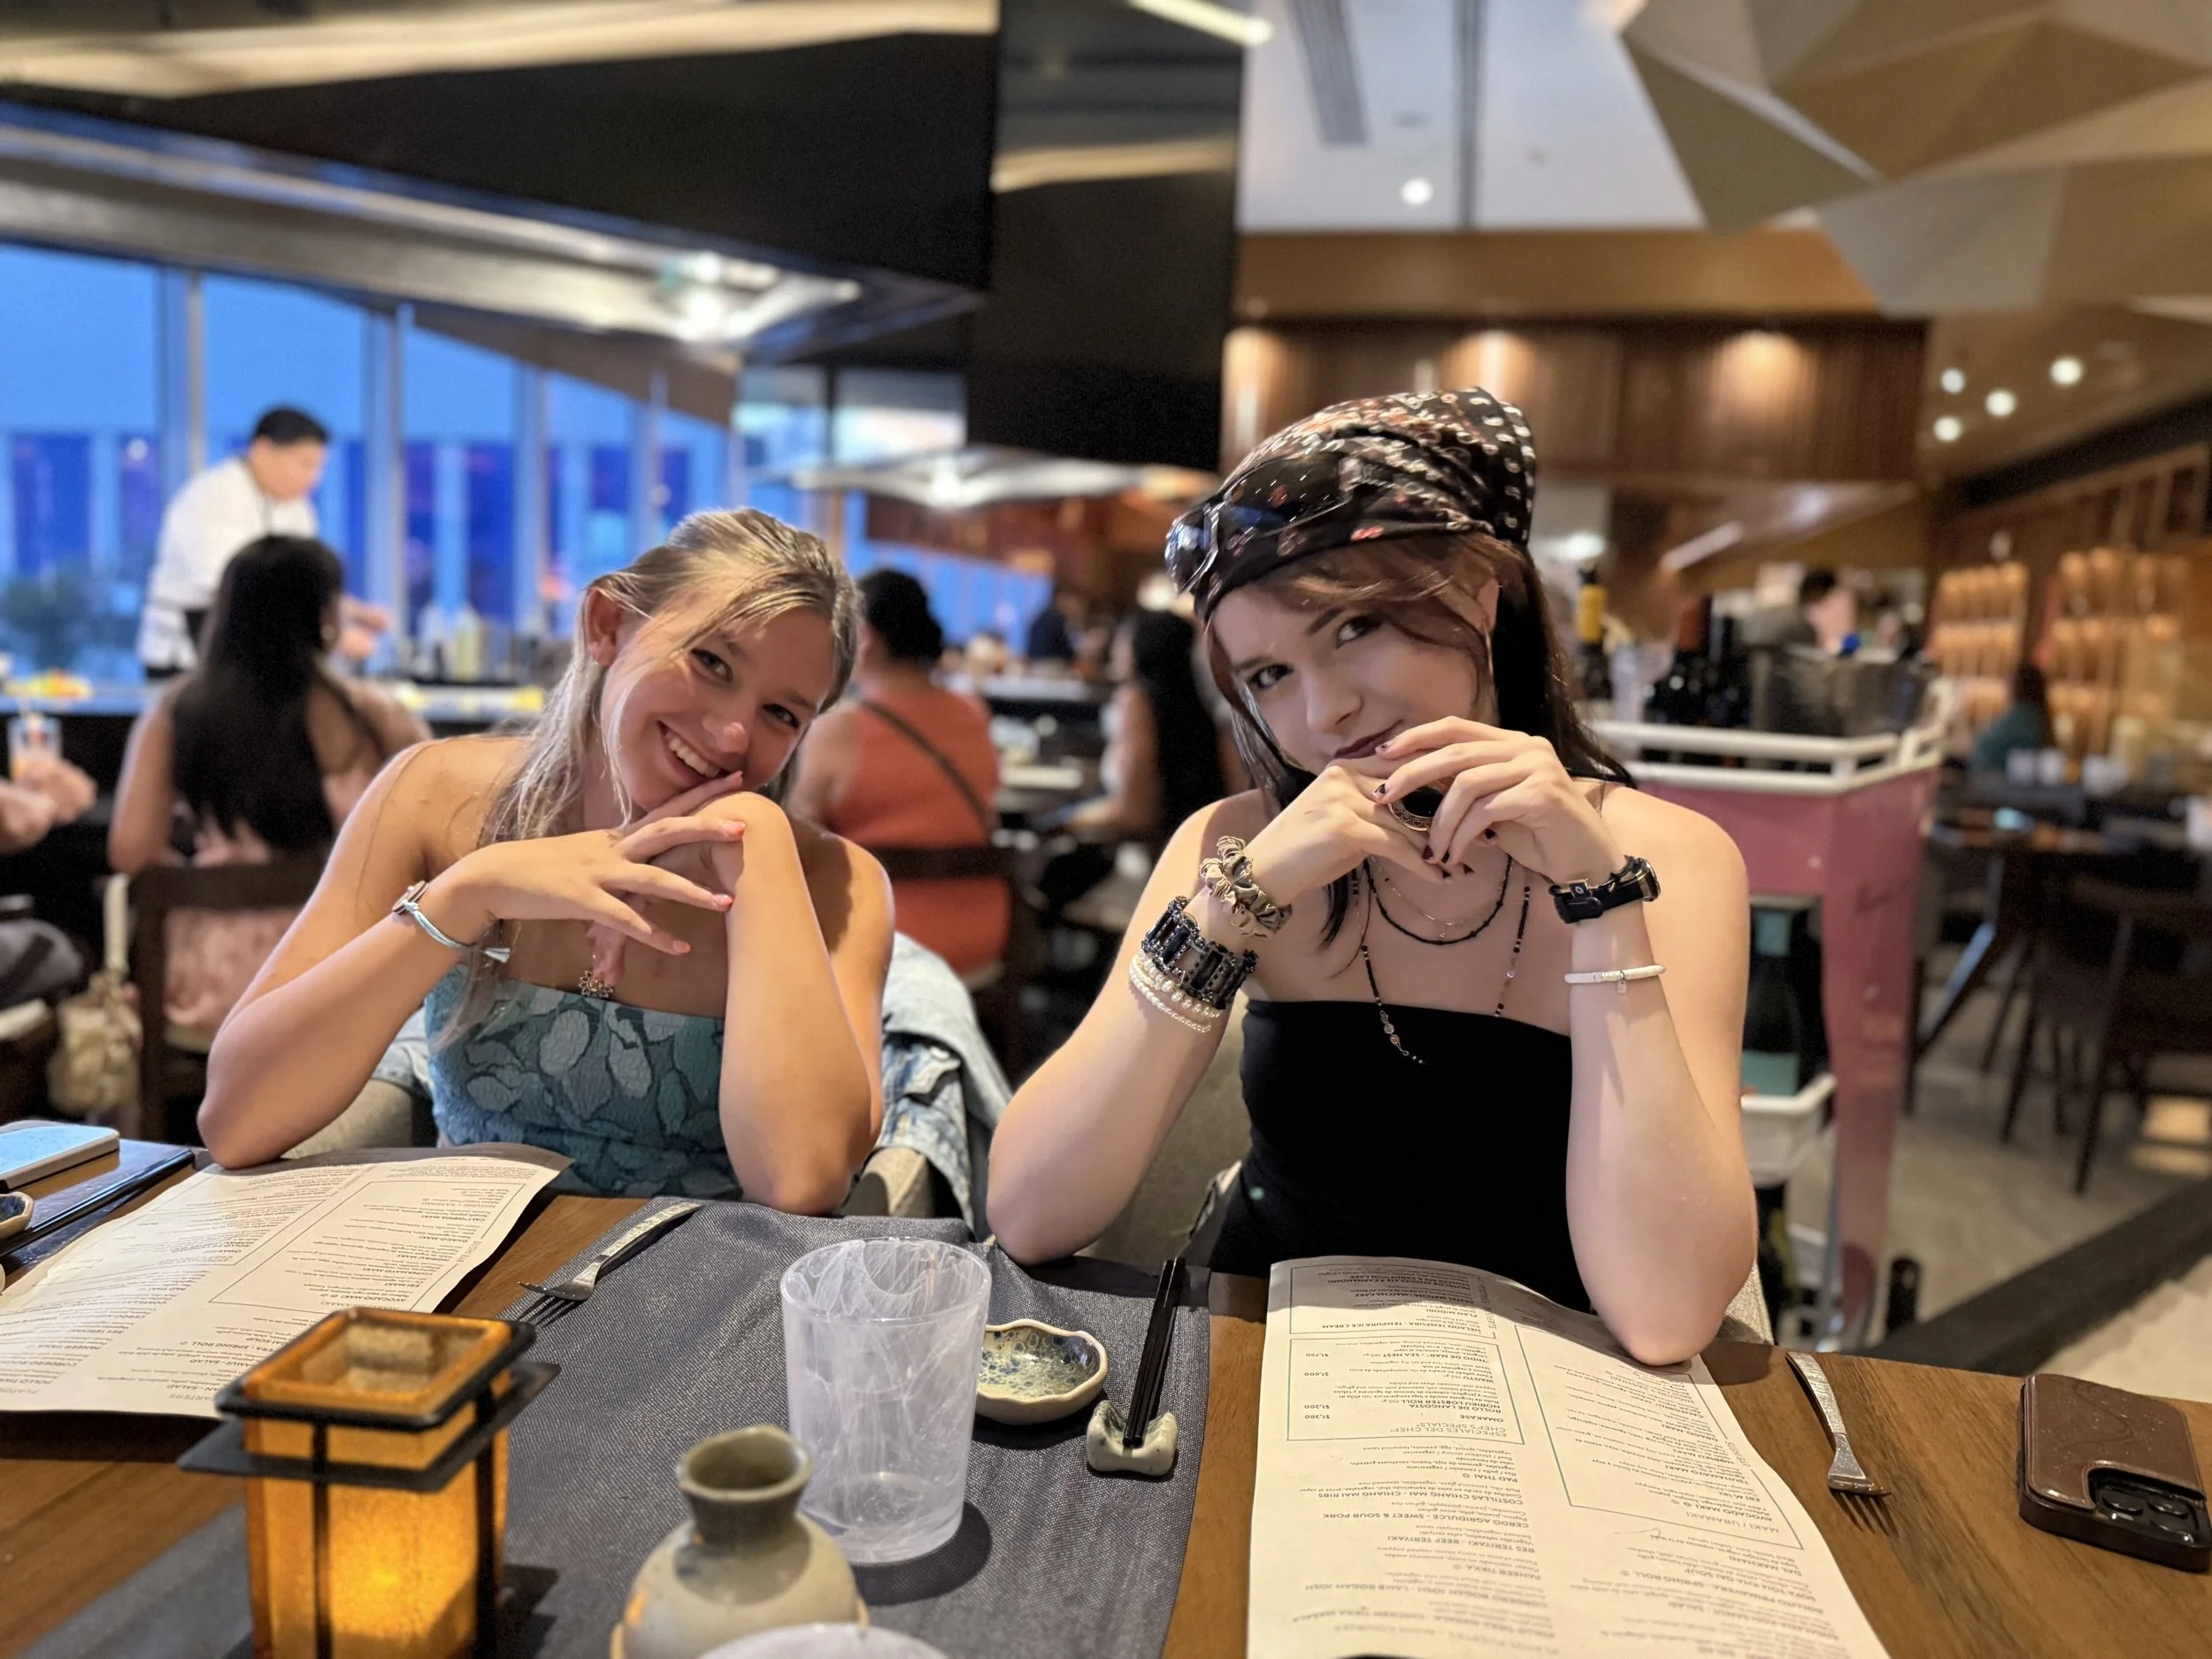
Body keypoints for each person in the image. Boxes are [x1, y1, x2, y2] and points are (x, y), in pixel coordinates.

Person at [987, 389, 1755, 1366]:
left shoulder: (1674, 860)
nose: (1327, 714)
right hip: (1272, 1368)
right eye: (1269, 677)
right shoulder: (1233, 845)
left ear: (1479, 594)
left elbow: (1663, 1314)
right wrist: (1228, 911)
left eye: (1355, 629)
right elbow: (1029, 1212)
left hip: (1560, 1388)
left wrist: (1598, 902)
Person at [195, 509, 894, 1212]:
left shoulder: (836, 883)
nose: (733, 730)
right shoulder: (435, 798)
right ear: (606, 624)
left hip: (697, 1299)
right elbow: (236, 1117)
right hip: (462, 1277)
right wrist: (468, 893)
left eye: (782, 714)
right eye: (711, 662)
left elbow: (803, 1182)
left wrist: (757, 836)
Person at [110, 536, 428, 1040]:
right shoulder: (373, 717)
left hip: (213, 991)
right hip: (341, 980)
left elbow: (131, 852)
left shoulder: (176, 714)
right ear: (325, 615)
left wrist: (212, 880)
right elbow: (428, 845)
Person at [787, 569, 1010, 979]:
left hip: (887, 939)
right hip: (983, 933)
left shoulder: (839, 729)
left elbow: (799, 846)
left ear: (866, 638)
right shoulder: (973, 711)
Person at [137, 407, 388, 677]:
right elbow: (233, 586)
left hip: (257, 662)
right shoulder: (212, 498)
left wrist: (352, 611)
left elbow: (300, 580)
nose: (314, 477)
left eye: (319, 466)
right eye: (305, 464)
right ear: (263, 449)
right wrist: (331, 635)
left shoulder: (297, 509)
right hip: (189, 659)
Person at [1970, 662, 2050, 774]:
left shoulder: (2022, 717)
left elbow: (1988, 742)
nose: (2007, 687)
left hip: (1997, 781)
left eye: (2010, 682)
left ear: (2019, 685)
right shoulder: (2036, 716)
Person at [1793, 568, 1859, 657]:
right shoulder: (1798, 617)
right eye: (1824, 595)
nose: (1823, 600)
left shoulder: (1808, 611)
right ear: (1815, 591)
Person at [1023, 581, 1090, 666]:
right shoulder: (1057, 619)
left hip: (1035, 665)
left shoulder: (1042, 615)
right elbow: (1066, 650)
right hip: (1052, 667)